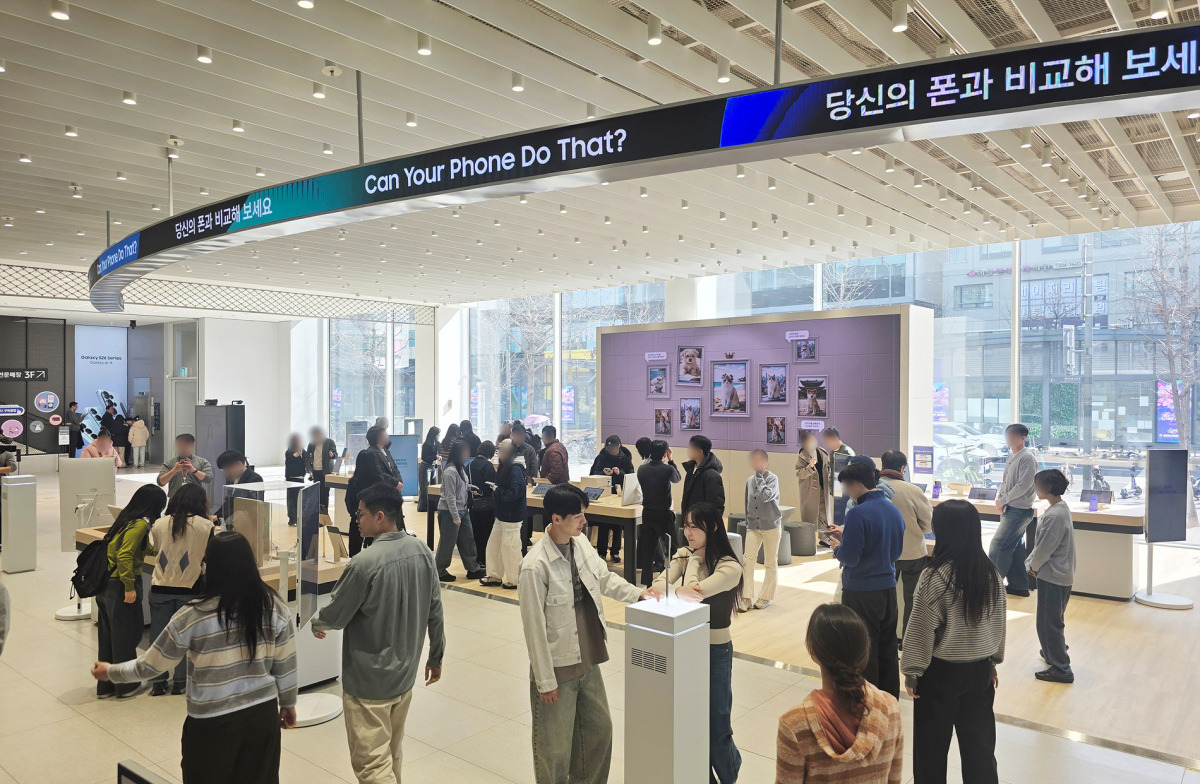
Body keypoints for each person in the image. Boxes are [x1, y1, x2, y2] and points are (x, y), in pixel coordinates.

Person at [93, 531, 298, 783]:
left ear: (209, 567)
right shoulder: (273, 606)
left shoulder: (194, 615)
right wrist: (288, 703)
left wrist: (112, 672)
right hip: (262, 715)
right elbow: (286, 663)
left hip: (212, 720)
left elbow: (152, 665)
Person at [518, 484, 659, 784]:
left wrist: (638, 594)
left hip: (588, 660)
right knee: (554, 751)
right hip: (557, 669)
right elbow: (534, 629)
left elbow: (604, 578)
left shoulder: (580, 543)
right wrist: (545, 682)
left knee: (599, 733)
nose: (585, 521)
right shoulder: (534, 566)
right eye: (578, 516)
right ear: (557, 518)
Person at [313, 483, 445, 783]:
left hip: (369, 681)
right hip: (405, 675)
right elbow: (435, 611)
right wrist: (436, 657)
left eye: (360, 514)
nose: (356, 519)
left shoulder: (364, 563)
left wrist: (318, 622)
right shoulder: (423, 552)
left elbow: (336, 614)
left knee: (371, 765)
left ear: (380, 516)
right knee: (392, 753)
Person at [902, 499, 1005, 784]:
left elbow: (921, 629)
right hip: (980, 672)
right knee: (980, 749)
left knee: (930, 749)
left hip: (941, 674)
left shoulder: (935, 576)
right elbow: (998, 623)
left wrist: (912, 671)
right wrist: (993, 661)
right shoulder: (992, 573)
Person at [654, 502, 743, 783]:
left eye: (694, 527)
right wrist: (676, 584)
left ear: (713, 527)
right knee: (691, 723)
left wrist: (693, 562)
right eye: (685, 526)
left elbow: (695, 593)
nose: (688, 532)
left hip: (716, 651)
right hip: (686, 646)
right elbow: (657, 587)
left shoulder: (730, 566)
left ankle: (730, 775)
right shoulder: (684, 554)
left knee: (717, 725)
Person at [776, 603, 904, 784]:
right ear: (864, 651)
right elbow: (894, 779)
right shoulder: (890, 708)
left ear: (812, 649)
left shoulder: (794, 725)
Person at [830, 461, 904, 698]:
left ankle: (867, 702)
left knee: (864, 649)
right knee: (887, 648)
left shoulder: (857, 513)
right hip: (888, 588)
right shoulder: (893, 510)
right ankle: (888, 701)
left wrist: (837, 547)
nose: (846, 492)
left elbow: (850, 558)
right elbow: (895, 551)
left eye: (846, 486)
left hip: (861, 590)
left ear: (855, 484)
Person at [94, 483, 167, 699]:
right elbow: (125, 555)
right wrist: (128, 587)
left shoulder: (125, 519)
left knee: (108, 637)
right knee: (126, 636)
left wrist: (160, 548)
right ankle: (126, 686)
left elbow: (135, 548)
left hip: (105, 584)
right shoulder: (140, 524)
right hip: (120, 584)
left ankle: (105, 687)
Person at [147, 484, 215, 696]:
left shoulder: (159, 523)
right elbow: (209, 556)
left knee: (158, 637)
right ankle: (180, 682)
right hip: (190, 587)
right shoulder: (205, 526)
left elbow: (157, 548)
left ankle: (157, 682)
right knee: (185, 637)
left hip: (160, 586)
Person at [878, 451, 933, 638]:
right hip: (912, 553)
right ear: (903, 468)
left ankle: (885, 637)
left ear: (882, 464)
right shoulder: (913, 491)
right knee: (912, 598)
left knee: (884, 597)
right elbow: (927, 526)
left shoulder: (872, 489)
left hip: (883, 554)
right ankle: (907, 638)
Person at [1028, 469, 1076, 684]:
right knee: (1053, 619)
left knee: (1048, 623)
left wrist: (1033, 566)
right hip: (1060, 573)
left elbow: (1045, 548)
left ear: (1047, 488)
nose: (1035, 489)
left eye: (1037, 485)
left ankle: (1061, 668)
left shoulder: (1055, 515)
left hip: (1052, 574)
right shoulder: (1060, 509)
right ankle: (1052, 652)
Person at [989, 423, 1038, 597]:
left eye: (1012, 436)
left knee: (998, 544)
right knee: (1015, 547)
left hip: (1019, 509)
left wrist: (1002, 500)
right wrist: (1000, 500)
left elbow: (1023, 486)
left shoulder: (1027, 457)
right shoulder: (1012, 456)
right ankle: (1019, 586)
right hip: (1009, 507)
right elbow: (1005, 483)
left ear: (1022, 438)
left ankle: (991, 586)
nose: (1008, 439)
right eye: (1007, 436)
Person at [347, 426, 403, 555]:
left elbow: (348, 502)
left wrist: (356, 515)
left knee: (355, 552)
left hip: (357, 520)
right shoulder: (377, 483)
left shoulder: (353, 482)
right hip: (374, 522)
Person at [436, 440, 484, 582]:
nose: (467, 454)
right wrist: (455, 516)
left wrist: (470, 488)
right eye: (465, 451)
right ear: (458, 453)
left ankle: (473, 568)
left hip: (463, 509)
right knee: (448, 542)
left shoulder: (461, 468)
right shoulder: (450, 471)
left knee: (468, 539)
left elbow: (461, 485)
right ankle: (439, 570)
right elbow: (450, 496)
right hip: (449, 512)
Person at [635, 439, 681, 586]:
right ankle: (673, 579)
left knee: (648, 551)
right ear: (664, 454)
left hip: (647, 513)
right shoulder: (667, 469)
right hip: (663, 514)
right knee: (674, 547)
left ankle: (647, 583)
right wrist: (671, 460)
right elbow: (677, 479)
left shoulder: (642, 469)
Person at [481, 439, 526, 589]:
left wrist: (497, 490)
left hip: (512, 516)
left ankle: (515, 579)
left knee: (510, 548)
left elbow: (513, 493)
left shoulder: (516, 469)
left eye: (504, 450)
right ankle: (494, 575)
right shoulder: (505, 467)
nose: (501, 453)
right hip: (501, 514)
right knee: (494, 546)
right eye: (500, 449)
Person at [741, 449, 781, 612]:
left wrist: (759, 477)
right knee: (747, 560)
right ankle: (746, 597)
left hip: (771, 526)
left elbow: (766, 497)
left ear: (766, 462)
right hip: (753, 527)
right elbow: (747, 504)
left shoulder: (773, 479)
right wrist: (748, 522)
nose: (756, 463)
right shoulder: (749, 481)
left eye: (760, 460)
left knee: (770, 562)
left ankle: (765, 597)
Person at [589, 435, 636, 563]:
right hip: (604, 495)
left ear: (619, 446)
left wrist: (619, 473)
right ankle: (601, 552)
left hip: (620, 495)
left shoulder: (626, 458)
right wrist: (603, 474)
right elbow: (592, 474)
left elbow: (631, 476)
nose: (611, 451)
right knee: (603, 524)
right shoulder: (601, 457)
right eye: (609, 448)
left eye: (613, 448)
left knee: (617, 526)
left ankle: (615, 552)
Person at [796, 430, 831, 543]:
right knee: (810, 515)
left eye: (812, 438)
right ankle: (808, 540)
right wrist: (810, 467)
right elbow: (799, 473)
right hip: (809, 490)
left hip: (823, 487)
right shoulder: (803, 455)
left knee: (824, 513)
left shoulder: (822, 452)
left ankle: (825, 538)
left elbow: (828, 469)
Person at [681, 434, 725, 520]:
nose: (688, 450)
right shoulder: (691, 470)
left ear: (700, 451)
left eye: (691, 447)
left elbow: (716, 504)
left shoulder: (711, 475)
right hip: (690, 519)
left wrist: (710, 523)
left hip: (702, 522)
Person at [468, 441, 498, 565]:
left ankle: (475, 558)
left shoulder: (470, 464)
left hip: (473, 503)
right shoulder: (488, 465)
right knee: (486, 532)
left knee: (475, 531)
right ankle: (484, 559)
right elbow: (492, 484)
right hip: (487, 504)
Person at [307, 427, 338, 512]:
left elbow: (335, 455)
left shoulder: (329, 442)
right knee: (316, 494)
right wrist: (310, 471)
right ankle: (317, 514)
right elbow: (308, 458)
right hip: (315, 472)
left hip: (326, 472)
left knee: (324, 494)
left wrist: (332, 455)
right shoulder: (311, 444)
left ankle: (324, 515)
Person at [284, 434, 307, 527]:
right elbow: (288, 463)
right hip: (291, 479)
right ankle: (292, 518)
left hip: (300, 478)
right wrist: (294, 456)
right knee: (291, 500)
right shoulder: (289, 452)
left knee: (300, 499)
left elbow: (306, 462)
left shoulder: (303, 451)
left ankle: (299, 517)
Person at [418, 426, 441, 513]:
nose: (439, 436)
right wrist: (435, 457)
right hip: (425, 466)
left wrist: (439, 456)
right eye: (438, 434)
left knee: (433, 487)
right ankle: (423, 506)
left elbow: (439, 453)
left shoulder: (437, 444)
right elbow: (424, 457)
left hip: (433, 466)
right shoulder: (426, 444)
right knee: (424, 488)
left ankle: (433, 506)